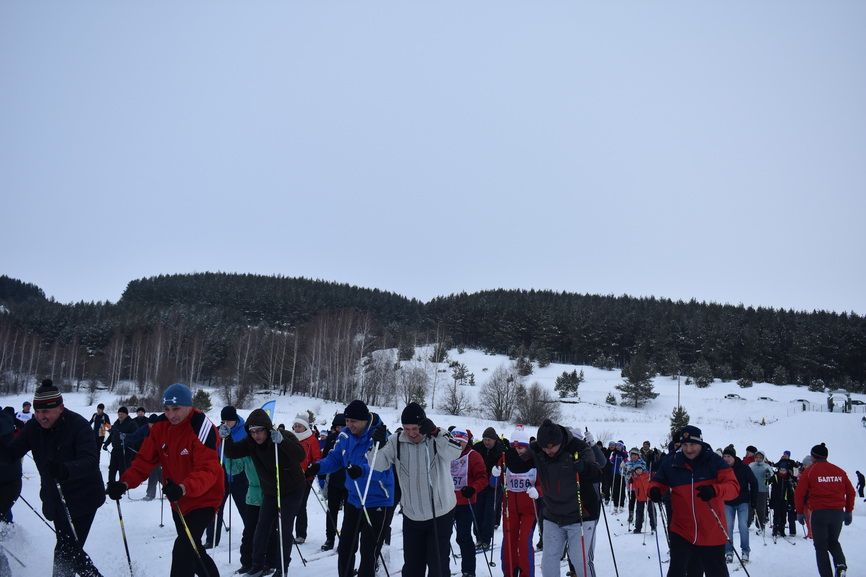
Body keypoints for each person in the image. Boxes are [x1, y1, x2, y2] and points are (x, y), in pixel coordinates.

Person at [108, 383, 224, 577]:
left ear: (189, 406)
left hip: (205, 496)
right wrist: (124, 483)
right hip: (177, 498)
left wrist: (184, 487)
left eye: (176, 409)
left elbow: (208, 469)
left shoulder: (201, 426)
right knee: (194, 551)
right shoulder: (160, 428)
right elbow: (144, 461)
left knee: (183, 549)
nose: (171, 415)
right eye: (167, 409)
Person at [0, 380, 104, 576]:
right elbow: (11, 453)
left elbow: (90, 460)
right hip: (56, 498)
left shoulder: (78, 425)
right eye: (38, 412)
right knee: (68, 548)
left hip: (84, 497)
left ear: (61, 407)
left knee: (68, 550)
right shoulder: (33, 427)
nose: (41, 417)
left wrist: (65, 469)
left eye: (46, 412)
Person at [368, 402, 462, 577]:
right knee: (412, 567)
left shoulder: (436, 437)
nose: (411, 433)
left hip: (440, 513)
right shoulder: (396, 441)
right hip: (412, 515)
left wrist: (435, 432)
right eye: (407, 428)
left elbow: (454, 453)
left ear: (423, 425)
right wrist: (376, 445)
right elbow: (377, 464)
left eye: (415, 428)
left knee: (438, 566)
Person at [309, 400, 395, 577]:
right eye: (347, 421)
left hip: (377, 500)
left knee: (368, 551)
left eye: (353, 421)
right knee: (346, 546)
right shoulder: (345, 435)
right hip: (354, 499)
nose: (349, 425)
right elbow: (335, 458)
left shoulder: (380, 437)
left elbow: (383, 469)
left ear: (364, 420)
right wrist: (318, 467)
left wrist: (361, 470)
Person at [221, 407, 306, 577]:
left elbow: (300, 455)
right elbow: (231, 452)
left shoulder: (283, 436)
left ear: (267, 429)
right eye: (252, 431)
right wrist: (227, 437)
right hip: (271, 490)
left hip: (291, 489)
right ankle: (257, 565)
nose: (256, 435)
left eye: (260, 431)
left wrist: (282, 442)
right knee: (262, 527)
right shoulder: (251, 443)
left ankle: (282, 568)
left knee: (284, 527)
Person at [649, 425, 739, 577]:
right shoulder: (672, 461)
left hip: (711, 530)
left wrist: (714, 490)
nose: (688, 449)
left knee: (716, 572)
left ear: (701, 443)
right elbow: (657, 482)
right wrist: (654, 490)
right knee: (678, 572)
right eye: (684, 445)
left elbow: (733, 487)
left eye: (692, 445)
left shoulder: (714, 461)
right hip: (682, 530)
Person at [525, 419, 598, 577]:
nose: (549, 451)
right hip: (553, 515)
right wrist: (512, 454)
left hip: (581, 514)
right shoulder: (537, 450)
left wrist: (584, 467)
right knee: (548, 560)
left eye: (553, 447)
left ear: (560, 441)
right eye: (546, 448)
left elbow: (597, 472)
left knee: (578, 559)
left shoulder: (578, 447)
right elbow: (519, 462)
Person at [794, 443, 855, 577]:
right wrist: (848, 511)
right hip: (838, 513)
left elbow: (799, 493)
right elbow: (851, 492)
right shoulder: (839, 471)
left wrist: (799, 512)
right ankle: (840, 564)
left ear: (813, 456)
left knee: (821, 547)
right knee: (833, 542)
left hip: (819, 513)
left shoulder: (809, 471)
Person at [205, 405, 249, 549]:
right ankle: (211, 540)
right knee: (216, 506)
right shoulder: (218, 430)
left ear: (235, 419)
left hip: (241, 474)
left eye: (228, 421)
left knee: (246, 508)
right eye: (223, 421)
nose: (225, 424)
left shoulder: (244, 430)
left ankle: (252, 536)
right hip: (222, 471)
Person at [500, 427, 540, 577]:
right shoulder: (506, 457)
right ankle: (509, 572)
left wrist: (538, 491)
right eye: (515, 447)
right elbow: (493, 483)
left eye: (521, 447)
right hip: (510, 509)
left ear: (527, 446)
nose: (518, 450)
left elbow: (543, 484)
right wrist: (495, 475)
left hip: (529, 510)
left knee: (523, 543)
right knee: (509, 543)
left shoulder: (535, 459)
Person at [449, 429, 488, 577]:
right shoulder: (446, 454)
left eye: (461, 442)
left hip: (466, 502)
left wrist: (473, 488)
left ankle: (469, 571)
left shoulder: (474, 456)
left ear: (466, 442)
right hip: (447, 502)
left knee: (463, 537)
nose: (458, 445)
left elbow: (483, 478)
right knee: (442, 536)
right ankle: (442, 569)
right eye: (455, 442)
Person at [721, 445, 758, 563]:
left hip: (742, 501)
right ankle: (728, 552)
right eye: (724, 456)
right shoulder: (722, 468)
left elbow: (754, 482)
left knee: (743, 526)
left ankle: (745, 552)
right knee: (728, 527)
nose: (726, 459)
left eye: (728, 456)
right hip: (728, 502)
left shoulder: (743, 468)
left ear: (734, 457)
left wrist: (754, 500)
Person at [319, 413, 348, 551]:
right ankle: (330, 538)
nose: (341, 429)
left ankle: (346, 539)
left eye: (343, 426)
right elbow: (325, 458)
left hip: (350, 483)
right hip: (334, 481)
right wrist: (321, 474)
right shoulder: (331, 439)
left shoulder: (352, 439)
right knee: (332, 511)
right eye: (338, 427)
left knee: (349, 513)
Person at [472, 426, 504, 551]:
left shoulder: (500, 449)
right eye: (485, 439)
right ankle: (478, 537)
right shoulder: (478, 448)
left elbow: (505, 465)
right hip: (480, 484)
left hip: (493, 485)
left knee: (489, 513)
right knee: (478, 511)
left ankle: (486, 539)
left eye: (489, 439)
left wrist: (499, 471)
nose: (487, 442)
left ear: (495, 439)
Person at [292, 412, 321, 545]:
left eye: (299, 426)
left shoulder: (311, 439)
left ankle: (301, 534)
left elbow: (317, 459)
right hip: (290, 477)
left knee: (300, 505)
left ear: (305, 427)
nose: (297, 428)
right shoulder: (291, 437)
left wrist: (310, 471)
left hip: (305, 478)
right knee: (290, 505)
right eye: (295, 425)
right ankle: (286, 531)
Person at [123, 413, 162, 500]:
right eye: (150, 423)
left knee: (153, 472)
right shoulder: (145, 428)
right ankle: (171, 486)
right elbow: (135, 436)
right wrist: (125, 437)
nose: (151, 425)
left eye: (153, 424)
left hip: (158, 456)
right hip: (149, 454)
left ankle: (150, 494)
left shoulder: (161, 429)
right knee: (159, 474)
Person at [102, 406, 138, 484]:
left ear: (126, 414)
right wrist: (106, 444)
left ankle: (122, 486)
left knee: (123, 469)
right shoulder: (116, 423)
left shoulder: (131, 424)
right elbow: (112, 435)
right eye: (119, 414)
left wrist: (125, 438)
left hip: (126, 450)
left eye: (122, 414)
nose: (120, 416)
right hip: (115, 449)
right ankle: (111, 485)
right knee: (112, 468)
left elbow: (135, 437)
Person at [747, 449, 773, 533]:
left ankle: (760, 526)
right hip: (751, 489)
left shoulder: (766, 466)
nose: (758, 459)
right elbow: (746, 474)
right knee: (749, 508)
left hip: (762, 490)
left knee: (760, 509)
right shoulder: (751, 465)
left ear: (763, 458)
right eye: (757, 457)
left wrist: (768, 474)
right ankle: (746, 525)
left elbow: (771, 476)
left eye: (760, 457)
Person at [768, 463, 797, 537]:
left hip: (785, 500)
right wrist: (767, 477)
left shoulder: (789, 478)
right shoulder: (775, 477)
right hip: (776, 499)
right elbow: (767, 482)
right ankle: (775, 530)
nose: (782, 471)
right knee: (776, 515)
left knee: (783, 516)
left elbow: (793, 488)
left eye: (784, 470)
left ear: (787, 471)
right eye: (781, 470)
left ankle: (781, 530)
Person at [629, 463, 656, 533]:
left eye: (640, 469)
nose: (639, 471)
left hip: (649, 497)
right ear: (635, 471)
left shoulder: (647, 475)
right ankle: (638, 528)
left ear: (642, 469)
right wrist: (630, 481)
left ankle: (653, 526)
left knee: (652, 512)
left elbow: (653, 481)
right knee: (639, 513)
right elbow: (630, 485)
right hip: (640, 498)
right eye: (637, 470)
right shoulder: (634, 478)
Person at [608, 441, 628, 514]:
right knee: (615, 490)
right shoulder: (614, 453)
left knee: (622, 490)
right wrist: (613, 458)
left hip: (622, 474)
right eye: (617, 446)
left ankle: (621, 505)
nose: (618, 447)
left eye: (620, 446)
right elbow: (611, 461)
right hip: (615, 474)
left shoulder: (624, 453)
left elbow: (626, 461)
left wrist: (624, 461)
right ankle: (615, 505)